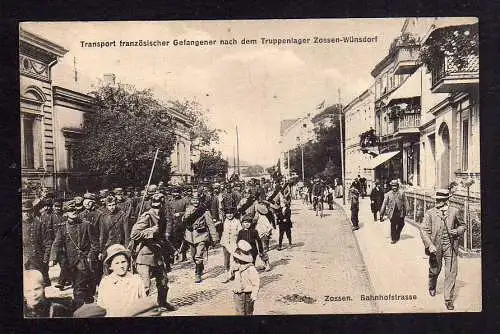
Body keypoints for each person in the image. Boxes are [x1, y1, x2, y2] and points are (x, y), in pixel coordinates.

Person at [420, 189, 465, 311]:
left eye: (440, 200)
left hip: (450, 246)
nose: (437, 202)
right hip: (435, 247)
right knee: (435, 269)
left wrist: (456, 231)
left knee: (451, 272)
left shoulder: (454, 211)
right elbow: (423, 230)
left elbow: (463, 225)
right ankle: (432, 285)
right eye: (437, 199)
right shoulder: (430, 213)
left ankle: (448, 299)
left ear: (446, 200)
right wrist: (430, 245)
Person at [130, 193, 175, 312]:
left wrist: (172, 249)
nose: (157, 209)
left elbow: (162, 238)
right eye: (154, 206)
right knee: (145, 285)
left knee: (163, 282)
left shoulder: (162, 217)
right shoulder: (147, 216)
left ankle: (162, 302)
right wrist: (150, 230)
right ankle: (141, 308)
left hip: (157, 254)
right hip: (145, 255)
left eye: (159, 206)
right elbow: (134, 234)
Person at [49, 201, 99, 309]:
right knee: (80, 288)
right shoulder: (63, 228)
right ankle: (84, 308)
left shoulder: (86, 225)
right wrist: (52, 258)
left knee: (80, 289)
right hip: (71, 263)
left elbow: (95, 244)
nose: (74, 212)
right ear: (66, 213)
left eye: (75, 210)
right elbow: (56, 244)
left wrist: (91, 256)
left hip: (85, 262)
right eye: (70, 210)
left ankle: (80, 310)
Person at [97, 244, 147, 317]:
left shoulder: (136, 279)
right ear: (110, 266)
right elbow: (101, 306)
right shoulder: (106, 282)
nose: (121, 266)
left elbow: (144, 304)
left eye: (123, 262)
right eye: (117, 263)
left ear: (128, 263)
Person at [182, 193, 220, 283]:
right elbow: (183, 220)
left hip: (201, 235)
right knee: (193, 256)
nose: (195, 201)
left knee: (198, 255)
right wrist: (186, 215)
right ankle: (200, 266)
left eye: (197, 200)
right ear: (191, 200)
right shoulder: (188, 209)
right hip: (190, 236)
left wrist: (215, 238)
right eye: (193, 200)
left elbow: (210, 225)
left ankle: (198, 273)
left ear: (200, 201)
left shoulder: (205, 211)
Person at [22, 200, 52, 287]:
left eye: (29, 211)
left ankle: (42, 299)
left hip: (38, 259)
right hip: (24, 260)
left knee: (39, 282)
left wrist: (46, 258)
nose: (27, 214)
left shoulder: (39, 224)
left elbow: (48, 242)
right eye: (24, 211)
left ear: (32, 212)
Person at [230, 240, 260, 316]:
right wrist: (232, 273)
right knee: (239, 313)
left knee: (248, 313)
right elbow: (231, 278)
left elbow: (256, 282)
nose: (236, 260)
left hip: (248, 295)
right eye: (235, 259)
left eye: (237, 259)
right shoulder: (235, 266)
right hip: (237, 294)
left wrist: (254, 295)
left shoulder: (251, 268)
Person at [220, 204, 241, 283]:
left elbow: (240, 232)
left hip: (234, 242)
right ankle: (227, 274)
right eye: (227, 213)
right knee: (226, 259)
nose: (229, 215)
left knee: (236, 258)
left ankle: (235, 273)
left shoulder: (237, 221)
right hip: (225, 242)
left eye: (231, 213)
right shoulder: (223, 221)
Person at [254, 203, 273, 271]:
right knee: (260, 251)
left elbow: (270, 227)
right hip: (258, 236)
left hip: (263, 236)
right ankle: (264, 264)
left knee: (263, 251)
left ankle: (268, 265)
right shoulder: (256, 218)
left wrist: (267, 233)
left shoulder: (263, 218)